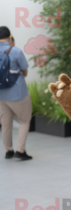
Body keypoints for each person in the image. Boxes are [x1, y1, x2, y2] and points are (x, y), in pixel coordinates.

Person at [0, 26, 32, 160]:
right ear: (10, 37)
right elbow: (25, 72)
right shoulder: (16, 51)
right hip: (18, 93)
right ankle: (20, 150)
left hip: (1, 94)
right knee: (24, 121)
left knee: (5, 124)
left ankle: (8, 151)